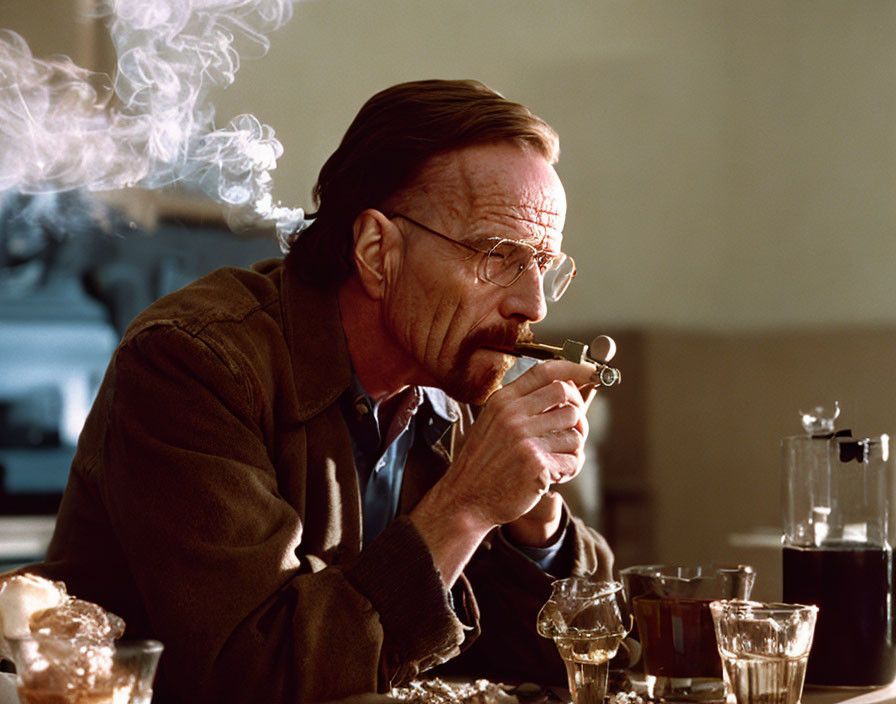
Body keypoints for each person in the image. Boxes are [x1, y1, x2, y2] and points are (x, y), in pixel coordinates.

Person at [23, 79, 614, 703]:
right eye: (498, 256)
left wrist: (533, 510)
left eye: (543, 265)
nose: (533, 305)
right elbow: (254, 676)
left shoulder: (452, 380)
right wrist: (463, 506)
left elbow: (573, 665)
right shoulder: (194, 362)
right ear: (376, 250)